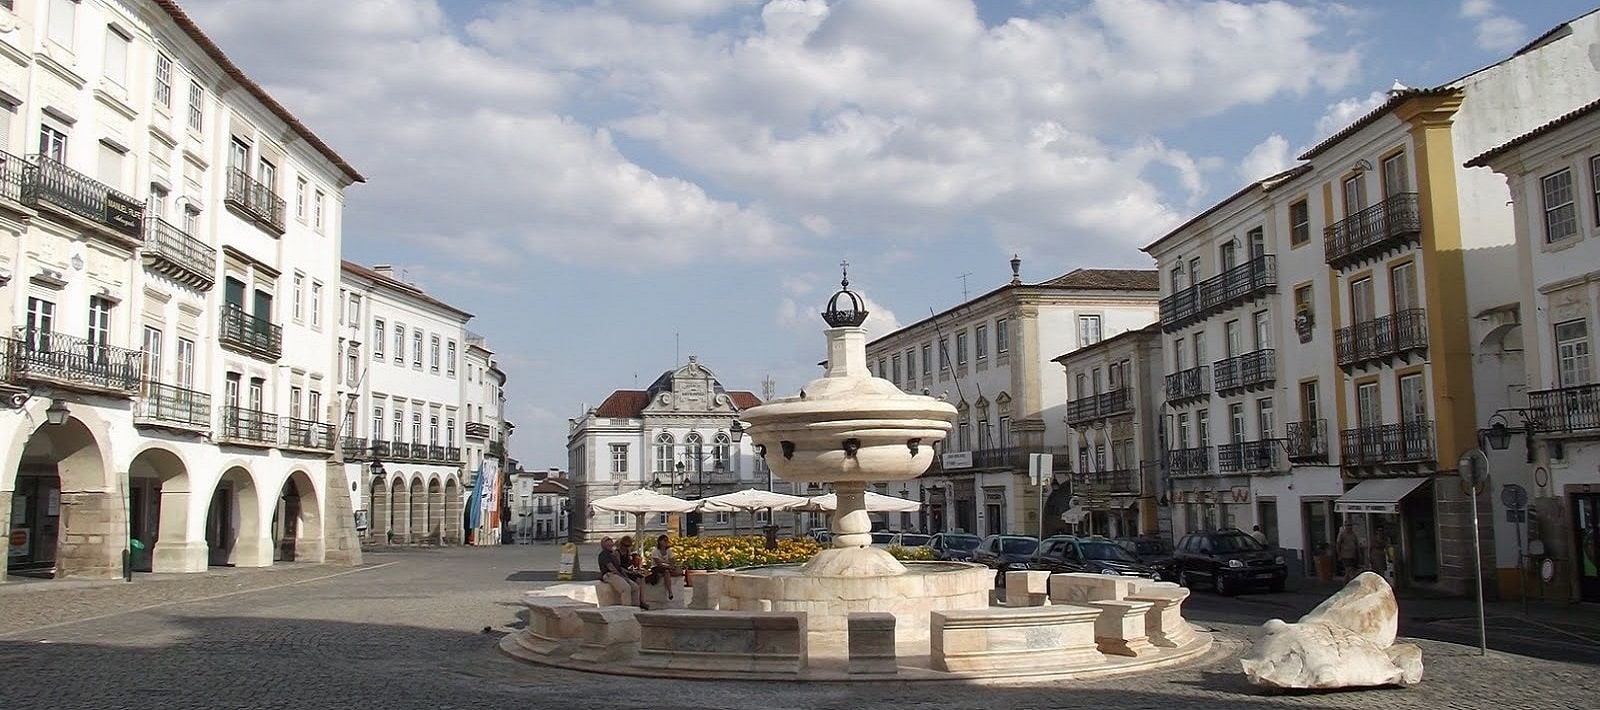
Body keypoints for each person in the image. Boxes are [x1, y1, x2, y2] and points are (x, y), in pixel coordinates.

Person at [597, 536, 642, 607]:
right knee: (625, 588)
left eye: (610, 543)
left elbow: (619, 567)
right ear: (603, 545)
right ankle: (626, 609)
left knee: (635, 587)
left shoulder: (613, 554)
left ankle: (635, 608)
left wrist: (626, 577)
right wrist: (621, 576)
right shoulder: (604, 554)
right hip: (610, 575)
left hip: (618, 574)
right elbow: (611, 568)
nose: (609, 545)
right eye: (607, 544)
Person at [647, 534, 678, 600]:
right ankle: (670, 592)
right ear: (660, 542)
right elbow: (658, 563)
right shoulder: (655, 551)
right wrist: (669, 566)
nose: (666, 542)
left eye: (667, 541)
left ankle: (667, 576)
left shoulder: (669, 551)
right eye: (665, 541)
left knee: (676, 570)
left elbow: (672, 561)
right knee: (666, 571)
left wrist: (671, 566)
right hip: (656, 567)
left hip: (667, 567)